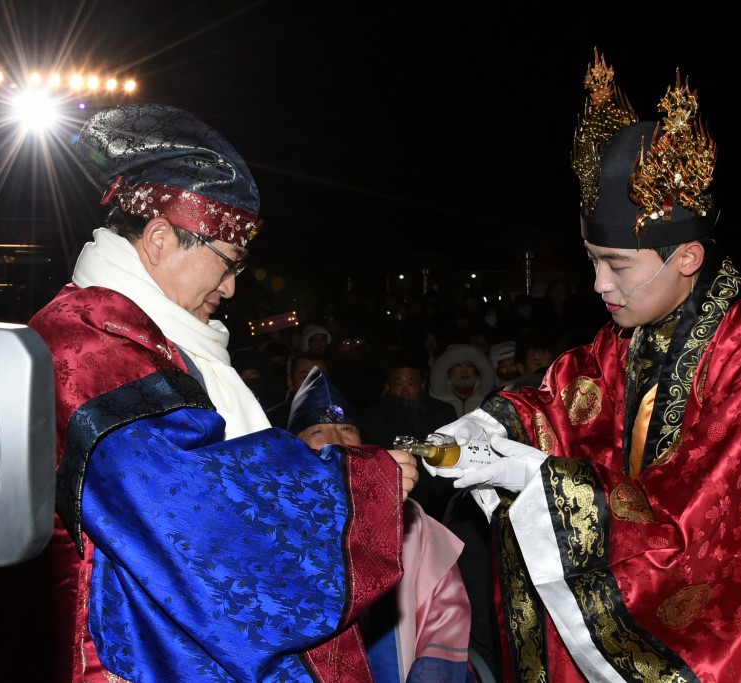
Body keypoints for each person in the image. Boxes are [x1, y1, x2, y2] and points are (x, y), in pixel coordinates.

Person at [426, 54, 741, 681]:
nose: (598, 283)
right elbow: (570, 396)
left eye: (616, 264)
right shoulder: (640, 326)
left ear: (688, 257)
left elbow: (718, 539)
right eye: (592, 260)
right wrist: (489, 427)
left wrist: (547, 484)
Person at [23, 103, 418, 682]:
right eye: (227, 262)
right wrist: (357, 483)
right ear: (159, 238)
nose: (231, 288)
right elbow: (191, 505)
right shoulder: (88, 344)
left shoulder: (138, 333)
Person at [287, 367, 474, 683]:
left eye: (347, 428)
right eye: (317, 431)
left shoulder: (408, 516)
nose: (336, 440)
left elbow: (446, 614)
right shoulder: (279, 521)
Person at [361, 352, 459, 521]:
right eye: (398, 384)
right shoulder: (373, 417)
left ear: (422, 384)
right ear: (388, 386)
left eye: (411, 383)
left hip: (441, 500)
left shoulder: (444, 411)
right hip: (395, 500)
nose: (405, 390)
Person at [429, 343, 495, 419]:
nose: (464, 370)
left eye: (469, 365)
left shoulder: (485, 395)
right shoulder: (440, 392)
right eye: (458, 365)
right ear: (450, 368)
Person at [266, 350, 329, 429]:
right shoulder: (271, 421)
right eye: (306, 376)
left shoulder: (341, 415)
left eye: (321, 376)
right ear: (290, 383)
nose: (315, 381)